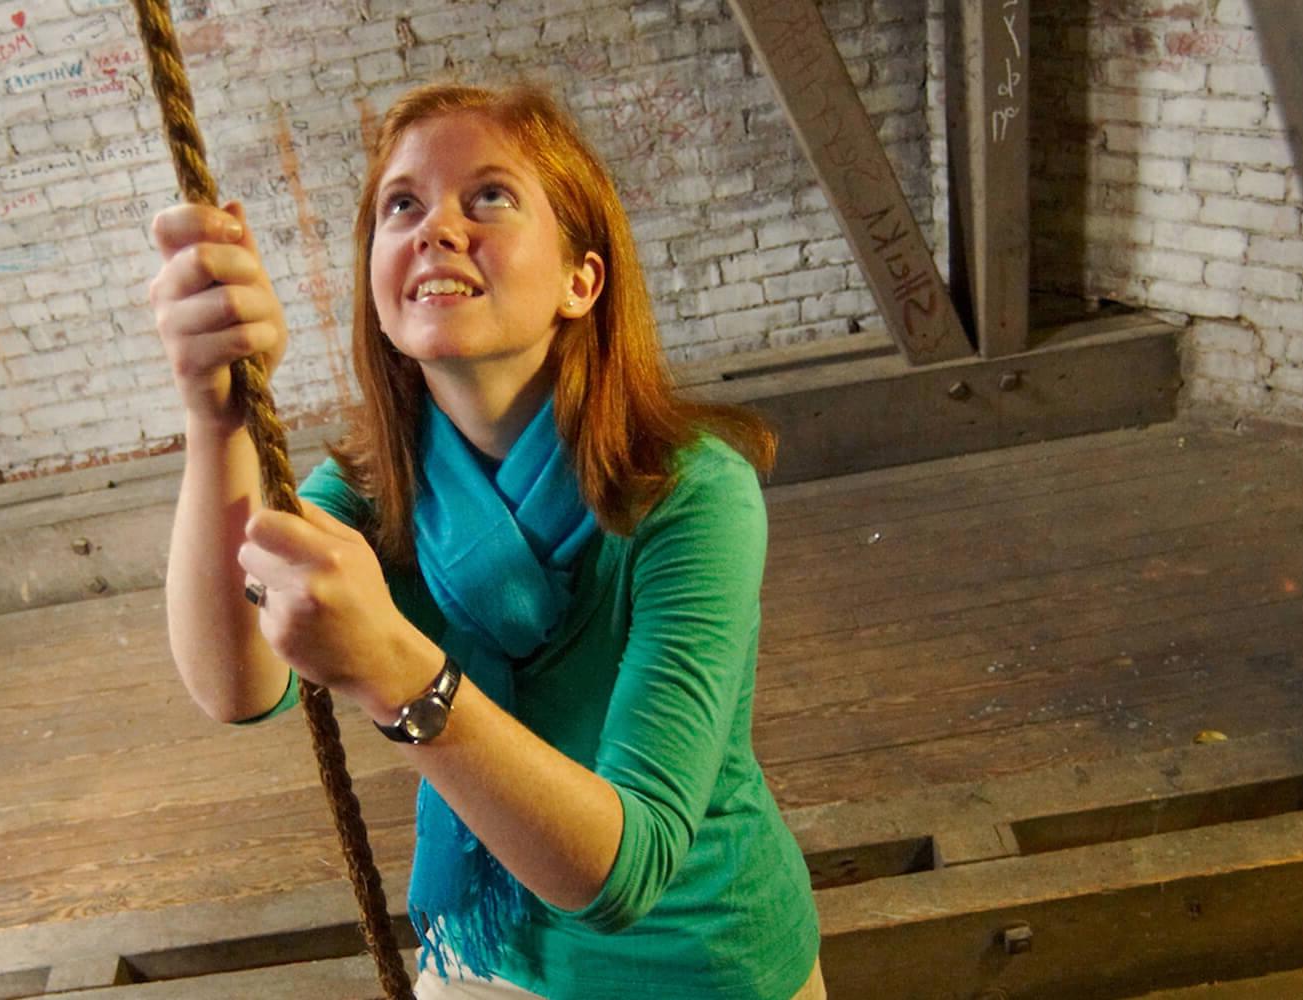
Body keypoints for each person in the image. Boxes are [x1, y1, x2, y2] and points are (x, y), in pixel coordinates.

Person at [150, 82, 823, 1000]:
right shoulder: (370, 494)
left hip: (703, 961)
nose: (438, 227)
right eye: (403, 205)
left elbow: (626, 871)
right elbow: (237, 687)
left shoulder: (691, 491)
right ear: (379, 290)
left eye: (490, 197)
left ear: (581, 280)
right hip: (487, 955)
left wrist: (396, 671)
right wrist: (215, 417)